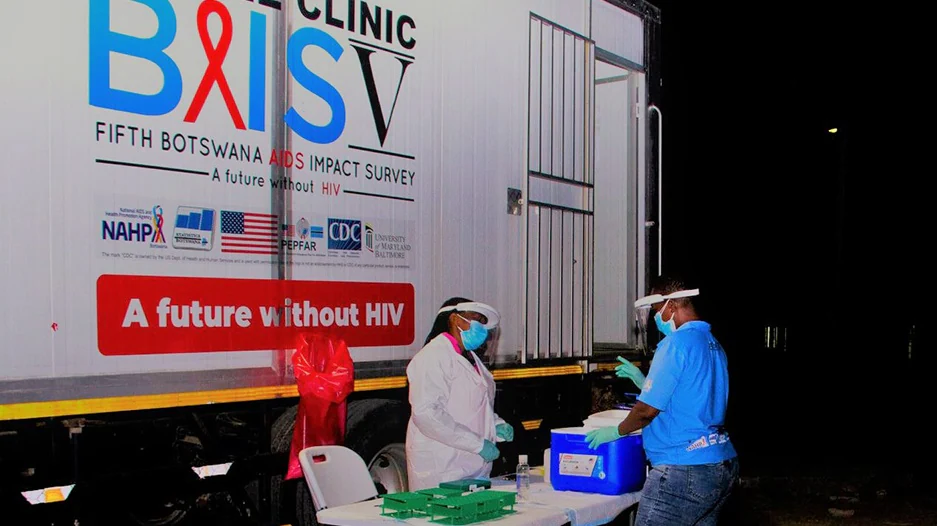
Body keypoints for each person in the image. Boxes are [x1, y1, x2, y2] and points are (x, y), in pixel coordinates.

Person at [587, 277, 738, 526]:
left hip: (684, 468)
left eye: (657, 311)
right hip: (720, 465)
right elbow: (689, 394)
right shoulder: (713, 344)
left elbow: (646, 411)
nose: (657, 318)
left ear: (671, 306)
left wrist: (616, 431)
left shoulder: (675, 343)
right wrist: (643, 381)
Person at [405, 297, 514, 491]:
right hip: (442, 466)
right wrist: (477, 444)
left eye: (483, 323)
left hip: (472, 466)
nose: (481, 328)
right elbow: (427, 415)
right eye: (476, 320)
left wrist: (495, 425)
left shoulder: (471, 359)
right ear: (455, 319)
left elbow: (474, 404)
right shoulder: (433, 357)